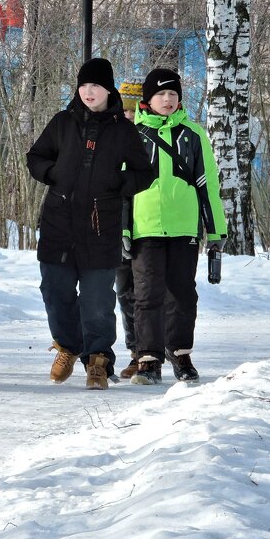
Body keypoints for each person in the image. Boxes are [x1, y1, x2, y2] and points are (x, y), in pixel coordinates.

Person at [26, 58, 154, 390]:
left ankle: (98, 360)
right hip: (59, 221)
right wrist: (53, 174)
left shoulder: (123, 130)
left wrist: (119, 185)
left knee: (97, 301)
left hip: (101, 224)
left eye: (95, 86)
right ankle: (68, 347)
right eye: (83, 86)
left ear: (108, 88)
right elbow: (35, 158)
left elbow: (144, 172)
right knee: (55, 291)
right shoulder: (62, 122)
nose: (88, 92)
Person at [127, 68, 226, 385]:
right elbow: (121, 188)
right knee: (147, 296)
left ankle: (181, 355)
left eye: (172, 94)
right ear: (148, 100)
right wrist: (123, 230)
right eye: (160, 94)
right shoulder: (132, 136)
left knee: (183, 295)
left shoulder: (194, 135)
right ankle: (148, 361)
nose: (167, 100)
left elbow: (207, 185)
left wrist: (216, 231)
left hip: (184, 229)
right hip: (146, 229)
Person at [115, 78, 144, 379]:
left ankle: (149, 349)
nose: (128, 115)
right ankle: (136, 351)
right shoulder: (112, 139)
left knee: (147, 292)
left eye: (133, 110)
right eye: (124, 110)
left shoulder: (149, 141)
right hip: (116, 226)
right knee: (125, 292)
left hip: (148, 226)